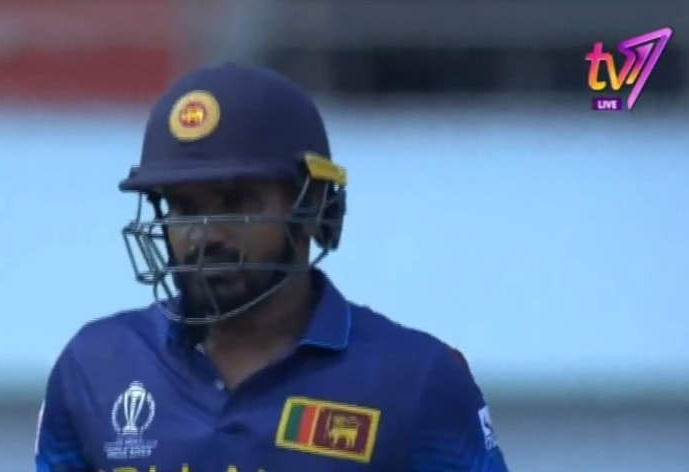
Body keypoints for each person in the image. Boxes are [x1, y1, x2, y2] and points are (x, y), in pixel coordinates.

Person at [34, 63, 510, 472]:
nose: (205, 235)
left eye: (238, 202)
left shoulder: (416, 379)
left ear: (312, 206)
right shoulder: (95, 366)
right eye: (184, 207)